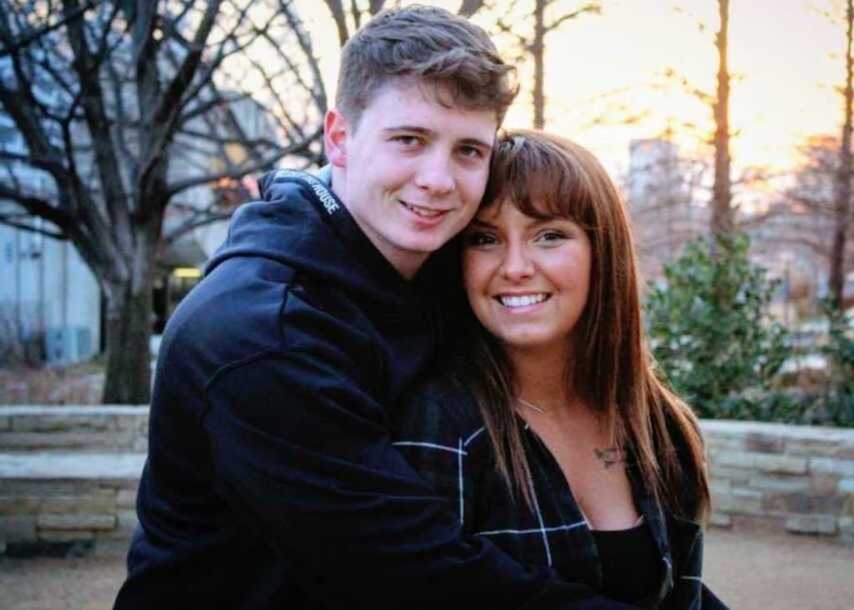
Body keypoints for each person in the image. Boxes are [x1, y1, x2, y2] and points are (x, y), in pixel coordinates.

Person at [115, 7, 636, 610]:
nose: (438, 179)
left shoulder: (425, 267)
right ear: (339, 137)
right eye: (409, 140)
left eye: (469, 150)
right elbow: (417, 578)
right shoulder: (261, 335)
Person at [393, 130, 730, 609]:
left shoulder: (657, 423)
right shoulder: (442, 424)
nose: (514, 267)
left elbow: (685, 597)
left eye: (549, 235)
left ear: (603, 251)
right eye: (485, 239)